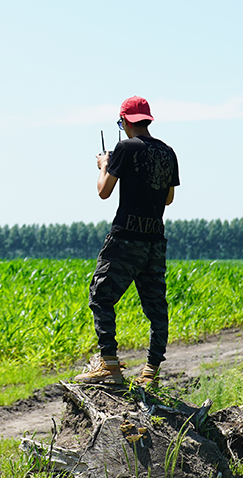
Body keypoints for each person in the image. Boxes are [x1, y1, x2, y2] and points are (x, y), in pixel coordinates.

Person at [74, 96, 179, 387]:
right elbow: (168, 198)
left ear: (125, 123)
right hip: (155, 240)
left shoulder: (124, 148)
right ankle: (150, 373)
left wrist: (104, 165)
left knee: (101, 295)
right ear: (147, 120)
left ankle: (109, 366)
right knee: (156, 307)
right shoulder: (168, 152)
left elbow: (103, 192)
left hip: (125, 237)